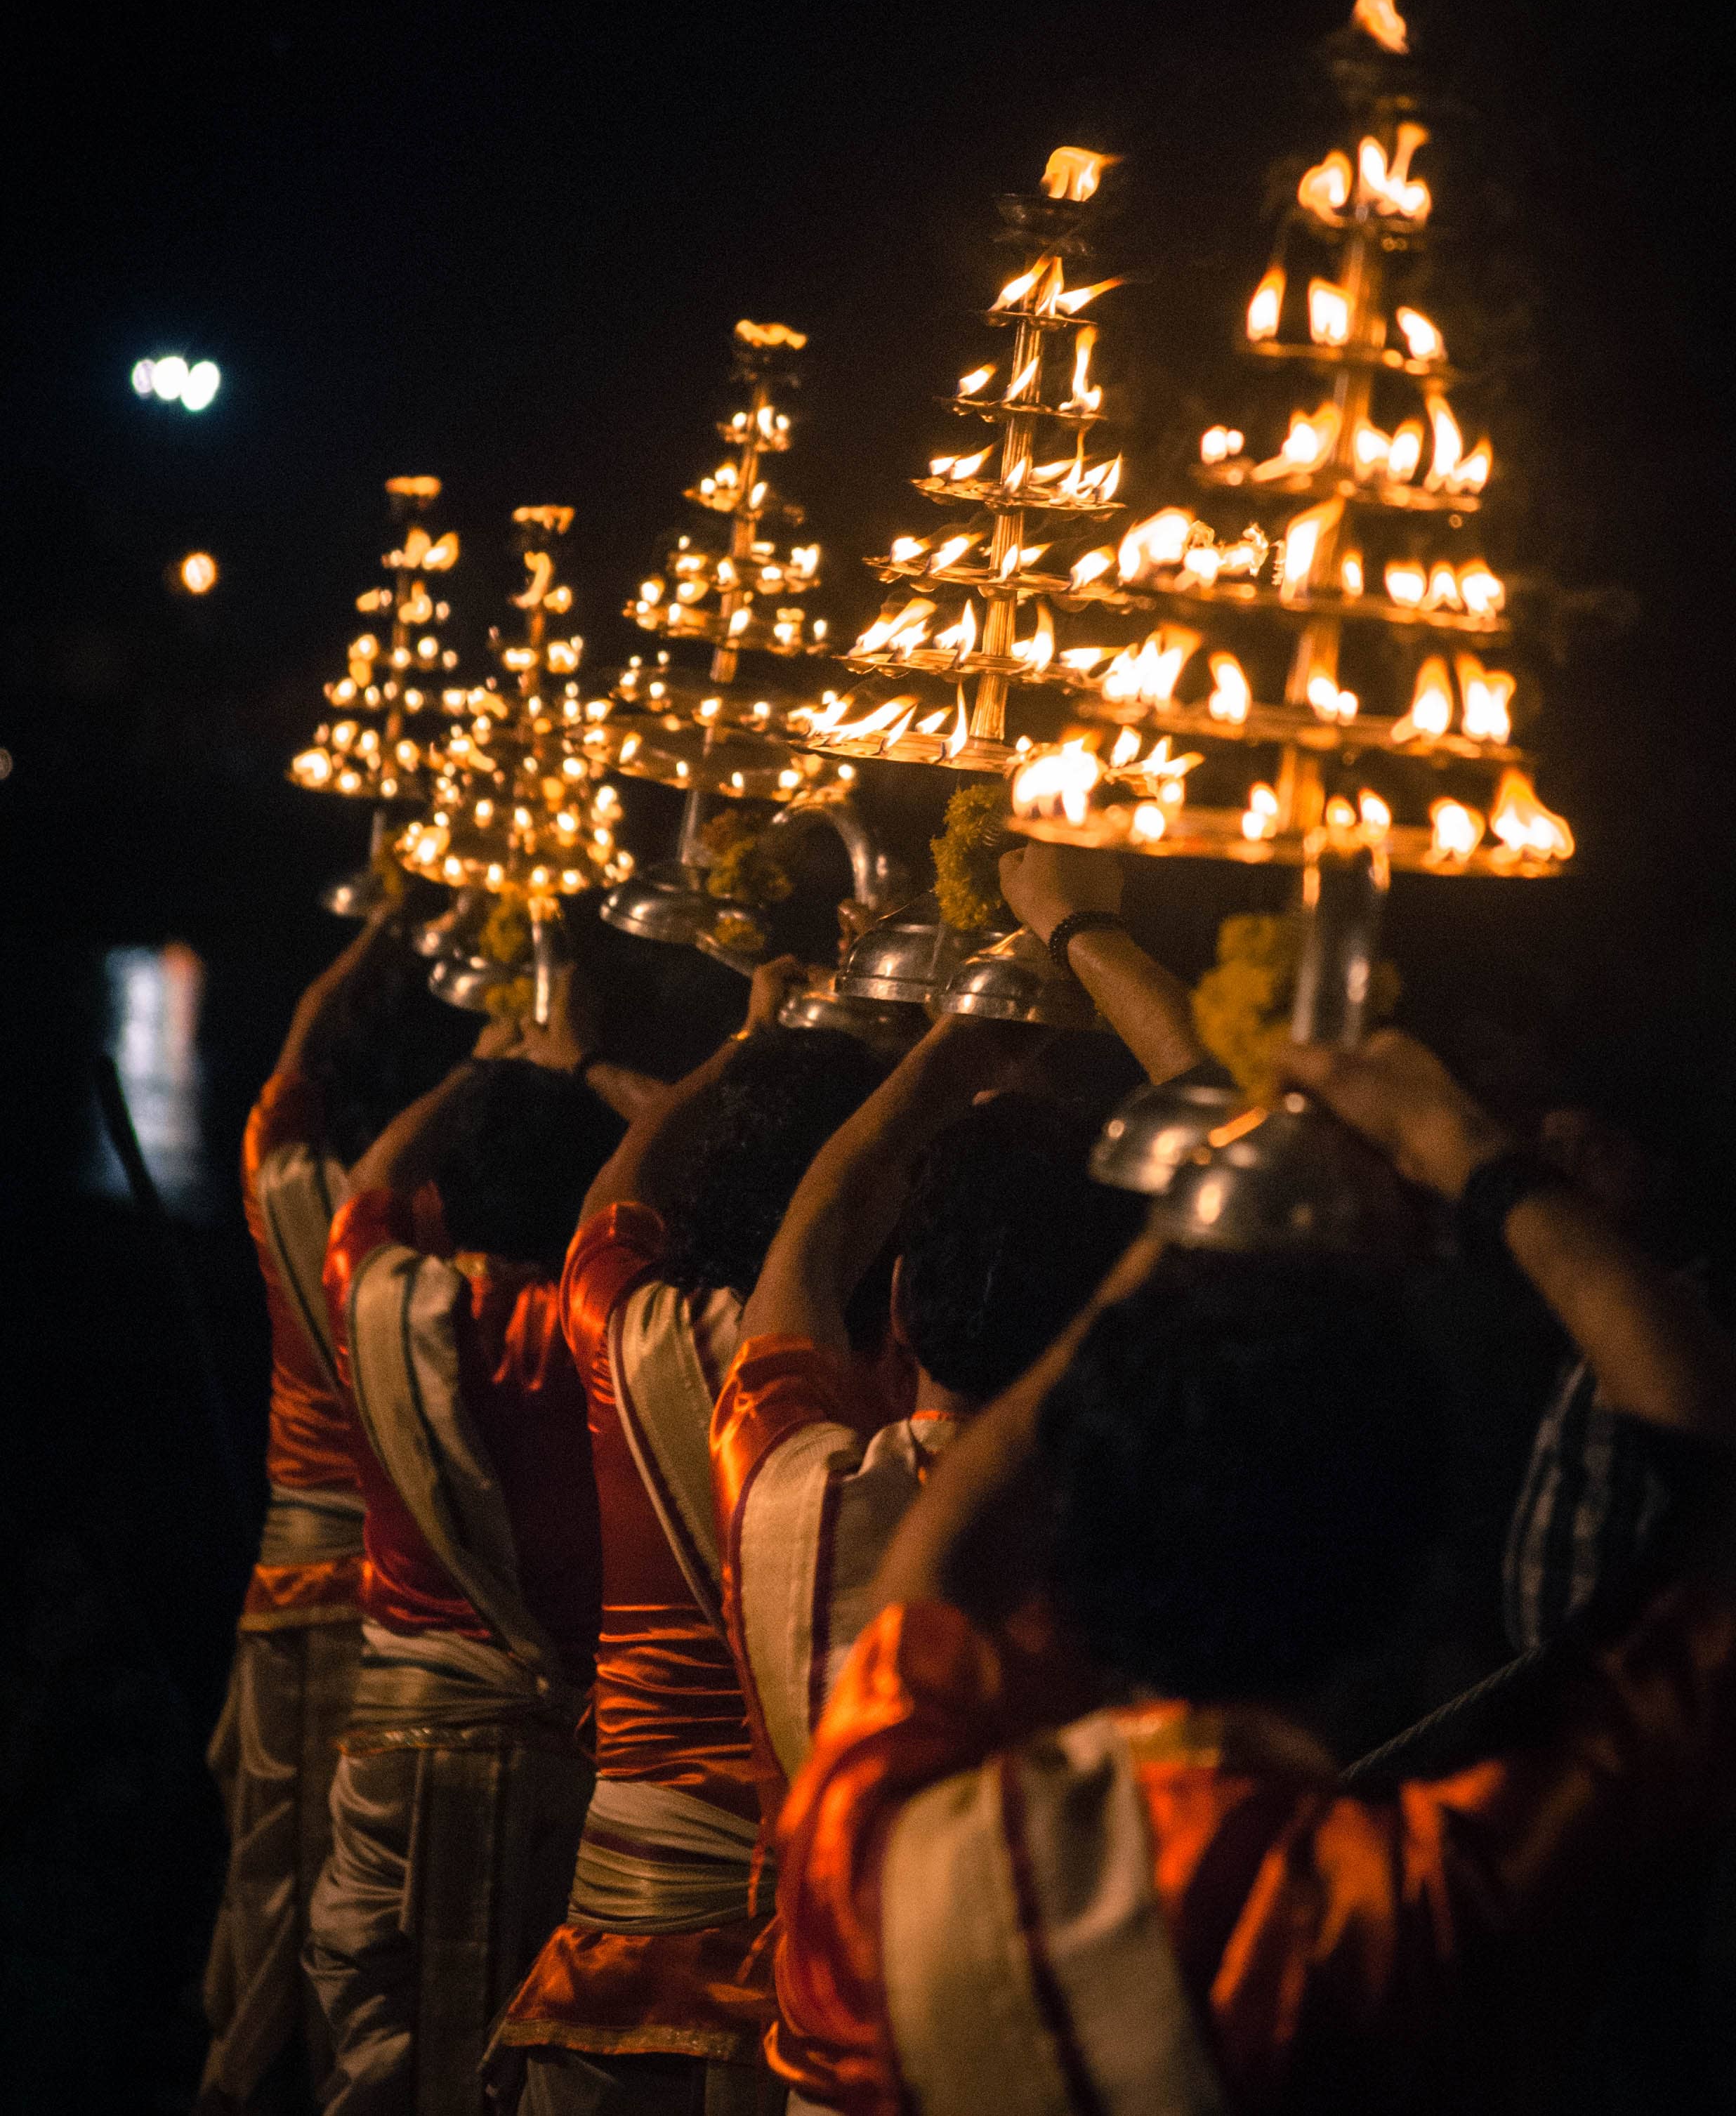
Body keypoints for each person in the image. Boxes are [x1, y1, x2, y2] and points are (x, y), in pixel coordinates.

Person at [770, 843, 1736, 2116]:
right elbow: (1712, 1469)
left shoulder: (893, 1844)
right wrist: (1463, 1151)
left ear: (1069, 1537)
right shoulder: (1417, 1908)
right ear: (1404, 1559)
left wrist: (1199, 1220)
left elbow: (944, 1543)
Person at [711, 1012, 1154, 2107]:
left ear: (899, 1305)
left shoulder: (783, 1485)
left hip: (819, 2071)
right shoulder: (1139, 1541)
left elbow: (808, 1243)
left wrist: (948, 1054)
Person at [488, 961, 890, 2116]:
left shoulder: (627, 1325)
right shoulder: (878, 1389)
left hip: (632, 1872)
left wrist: (736, 1050)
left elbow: (623, 1183)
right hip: (792, 1905)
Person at [305, 973, 637, 2116]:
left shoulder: (380, 1302)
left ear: (444, 1202)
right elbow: (655, 1172)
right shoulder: (602, 1336)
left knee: (385, 2057)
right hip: (560, 1758)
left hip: (396, 1750)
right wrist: (585, 1069)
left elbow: (368, 1181)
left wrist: (484, 1064)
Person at [202, 915, 454, 2116]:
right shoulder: (418, 1239)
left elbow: (293, 1064)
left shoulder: (282, 1182)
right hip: (391, 1602)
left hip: (293, 1582)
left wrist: (376, 937)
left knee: (280, 1884)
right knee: (347, 1913)